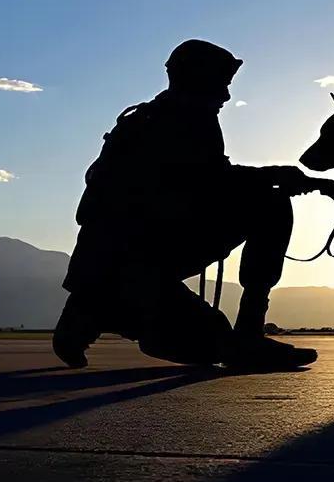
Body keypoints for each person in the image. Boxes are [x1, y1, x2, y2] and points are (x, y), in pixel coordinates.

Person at [53, 39, 318, 369]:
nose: (226, 96)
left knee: (206, 343)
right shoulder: (184, 120)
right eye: (221, 85)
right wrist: (274, 176)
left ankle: (93, 311)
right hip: (137, 263)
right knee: (271, 205)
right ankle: (244, 335)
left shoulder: (144, 121)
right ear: (196, 79)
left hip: (111, 264)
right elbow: (209, 181)